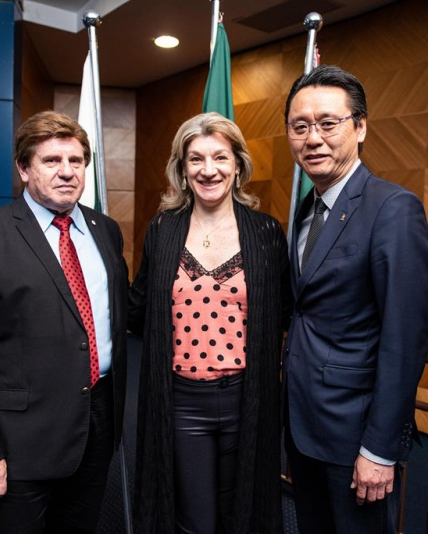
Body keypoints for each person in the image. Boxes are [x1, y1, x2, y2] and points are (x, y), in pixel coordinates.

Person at [0, 111, 128, 533]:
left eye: (76, 161)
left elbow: (117, 314)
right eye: (51, 161)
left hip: (97, 423)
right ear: (24, 168)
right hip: (19, 438)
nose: (67, 172)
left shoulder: (105, 230)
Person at [282, 65, 428, 533]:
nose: (313, 138)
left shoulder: (393, 208)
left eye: (328, 123)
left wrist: (380, 449)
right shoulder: (307, 208)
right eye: (300, 126)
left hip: (355, 436)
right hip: (304, 425)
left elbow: (404, 340)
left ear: (360, 127)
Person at [129, 112, 290, 533]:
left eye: (220, 157)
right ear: (182, 169)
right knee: (195, 522)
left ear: (238, 165)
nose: (208, 169)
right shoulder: (163, 230)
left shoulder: (266, 233)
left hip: (247, 398)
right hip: (182, 402)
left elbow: (282, 311)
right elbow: (140, 309)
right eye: (196, 159)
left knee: (242, 515)